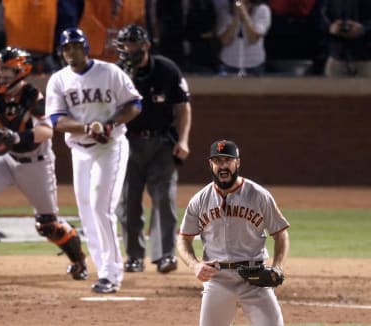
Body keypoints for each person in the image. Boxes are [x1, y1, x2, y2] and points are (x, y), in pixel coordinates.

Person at [0, 46, 88, 282]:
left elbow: (47, 131)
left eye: (7, 70)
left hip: (36, 163)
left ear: (21, 71)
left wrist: (15, 137)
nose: (0, 74)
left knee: (47, 225)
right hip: (8, 159)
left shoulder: (31, 95)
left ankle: (78, 260)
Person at [45, 28, 142, 293]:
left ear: (85, 48)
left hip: (110, 147)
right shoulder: (58, 80)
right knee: (86, 210)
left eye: (75, 47)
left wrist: (110, 124)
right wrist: (88, 128)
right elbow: (56, 120)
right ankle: (102, 268)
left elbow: (134, 104)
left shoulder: (109, 72)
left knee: (102, 207)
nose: (70, 52)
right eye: (66, 48)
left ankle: (112, 273)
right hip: (80, 149)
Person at [177, 139, 290, 326]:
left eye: (227, 160)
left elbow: (281, 234)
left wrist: (278, 267)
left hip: (255, 280)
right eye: (217, 161)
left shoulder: (258, 195)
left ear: (237, 162)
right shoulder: (199, 200)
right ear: (210, 164)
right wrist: (194, 265)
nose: (222, 166)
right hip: (217, 280)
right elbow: (183, 239)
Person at [114, 24, 192, 274]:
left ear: (146, 45)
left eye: (134, 44)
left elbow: (183, 107)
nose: (130, 49)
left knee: (165, 201)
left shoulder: (166, 69)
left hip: (161, 143)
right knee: (128, 203)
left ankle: (165, 255)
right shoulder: (116, 73)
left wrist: (183, 140)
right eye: (126, 44)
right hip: (127, 143)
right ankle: (134, 256)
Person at [217, 0, 271, 76]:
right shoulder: (225, 10)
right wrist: (236, 18)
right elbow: (225, 40)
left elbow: (253, 39)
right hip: (228, 64)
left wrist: (245, 15)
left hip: (255, 66)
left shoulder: (262, 10)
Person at [320, 0, 371, 77]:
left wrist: (363, 28)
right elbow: (318, 14)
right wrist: (330, 26)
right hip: (337, 55)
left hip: (365, 56)